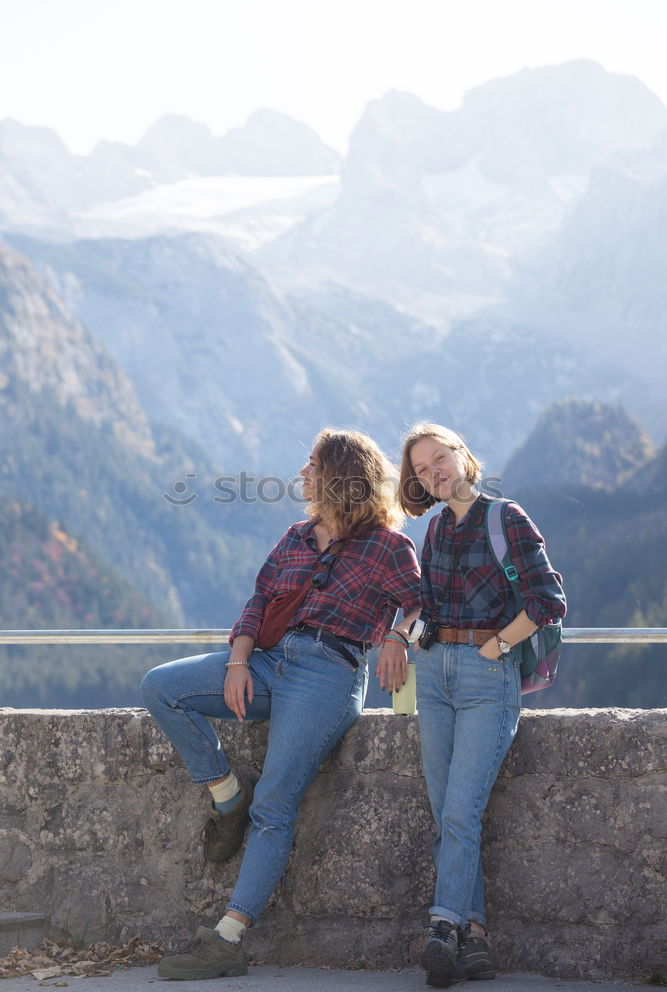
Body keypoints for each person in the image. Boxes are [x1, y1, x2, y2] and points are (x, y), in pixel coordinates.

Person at [140, 428, 421, 980]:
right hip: (268, 661)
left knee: (275, 805)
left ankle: (227, 940)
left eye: (312, 466)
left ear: (339, 476)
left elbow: (421, 605)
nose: (302, 475)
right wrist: (239, 662)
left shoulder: (389, 546)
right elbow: (258, 601)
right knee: (161, 687)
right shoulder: (296, 535)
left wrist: (396, 636)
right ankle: (226, 793)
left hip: (329, 674)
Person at [398, 422, 566, 988]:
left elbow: (549, 599)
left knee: (459, 810)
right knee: (447, 809)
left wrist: (496, 646)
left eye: (439, 459)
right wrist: (400, 639)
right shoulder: (438, 529)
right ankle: (475, 936)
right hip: (434, 673)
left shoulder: (506, 517)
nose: (433, 473)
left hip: (485, 673)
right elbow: (425, 602)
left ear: (463, 456)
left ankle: (443, 926)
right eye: (421, 469)